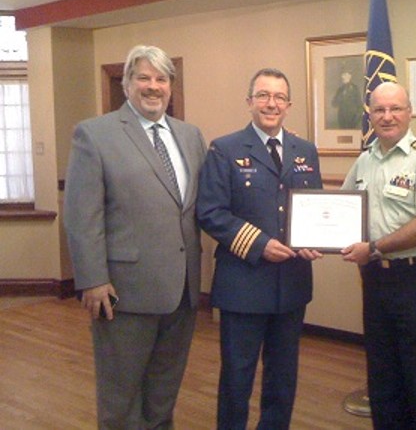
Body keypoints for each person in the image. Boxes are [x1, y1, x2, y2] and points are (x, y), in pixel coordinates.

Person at [63, 45, 207, 429]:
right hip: (123, 293)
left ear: (171, 87)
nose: (153, 86)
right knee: (121, 397)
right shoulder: (95, 134)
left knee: (163, 392)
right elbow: (81, 215)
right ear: (127, 83)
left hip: (182, 292)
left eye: (161, 79)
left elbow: (205, 204)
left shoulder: (190, 136)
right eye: (143, 77)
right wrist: (92, 278)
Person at [196, 68, 323, 430]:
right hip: (243, 285)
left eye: (279, 97)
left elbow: (311, 206)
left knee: (283, 379)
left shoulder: (305, 151)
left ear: (289, 104)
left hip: (292, 284)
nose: (272, 104)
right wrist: (259, 244)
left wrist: (313, 238)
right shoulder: (226, 149)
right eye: (263, 96)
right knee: (237, 379)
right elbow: (210, 212)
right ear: (249, 102)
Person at [341, 81, 416, 429]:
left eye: (395, 109)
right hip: (376, 278)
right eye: (379, 110)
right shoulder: (365, 161)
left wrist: (374, 248)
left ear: (409, 112)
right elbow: (343, 207)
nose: (387, 116)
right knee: (381, 368)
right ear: (370, 115)